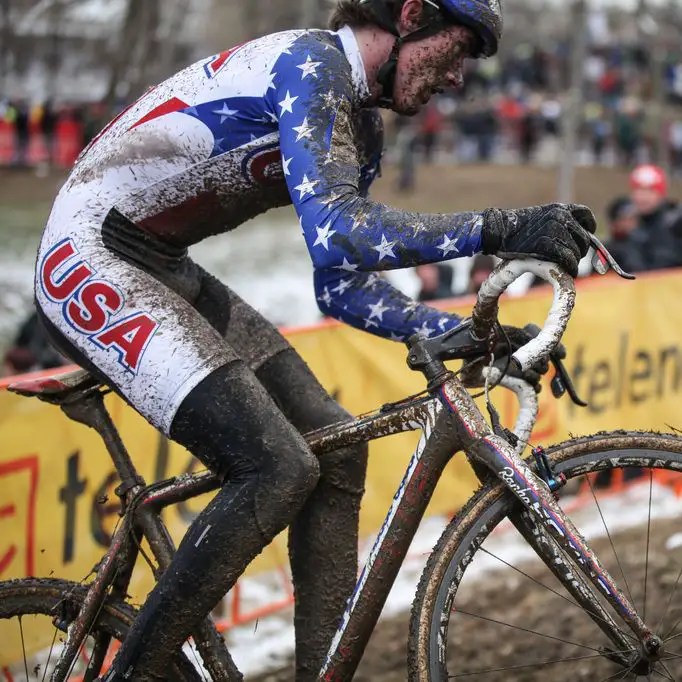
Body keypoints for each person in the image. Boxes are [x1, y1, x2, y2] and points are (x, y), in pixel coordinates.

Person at [31, 1, 596, 679]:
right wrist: (497, 227)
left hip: (159, 263)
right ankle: (135, 671)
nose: (456, 79)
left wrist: (460, 332)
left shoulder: (358, 119)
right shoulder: (311, 64)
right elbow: (344, 225)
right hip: (90, 256)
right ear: (411, 14)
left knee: (337, 448)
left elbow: (341, 282)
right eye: (456, 51)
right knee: (278, 467)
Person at [627, 164, 682, 270]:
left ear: (660, 195)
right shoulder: (631, 225)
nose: (643, 197)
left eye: (649, 191)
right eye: (639, 191)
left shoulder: (672, 223)